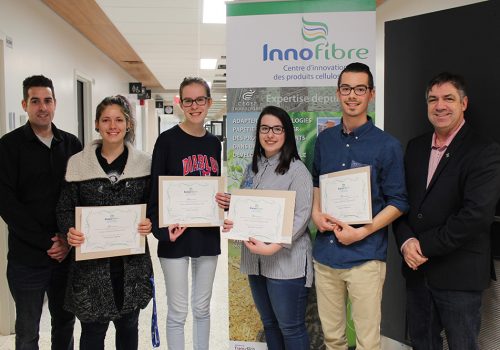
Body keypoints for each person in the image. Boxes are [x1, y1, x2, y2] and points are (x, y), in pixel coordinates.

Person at [393, 72, 500, 350]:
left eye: (448, 98)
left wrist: (422, 246)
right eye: (433, 99)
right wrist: (405, 243)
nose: (440, 105)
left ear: (463, 103)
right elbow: (401, 201)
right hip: (417, 272)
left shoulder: (484, 150)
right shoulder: (415, 147)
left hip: (459, 274)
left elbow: (476, 215)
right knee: (422, 343)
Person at [311, 62, 408, 350]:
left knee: (367, 342)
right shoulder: (324, 141)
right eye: (346, 88)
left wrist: (362, 232)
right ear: (338, 93)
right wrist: (317, 212)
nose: (352, 95)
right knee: (333, 339)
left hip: (365, 258)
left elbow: (399, 202)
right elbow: (317, 182)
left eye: (360, 89)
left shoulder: (387, 145)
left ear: (371, 94)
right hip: (326, 256)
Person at [56, 95, 153, 350]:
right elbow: (65, 207)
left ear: (128, 124)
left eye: (119, 119)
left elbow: (152, 206)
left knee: (129, 329)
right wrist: (70, 232)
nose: (113, 125)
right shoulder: (78, 163)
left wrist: (149, 222)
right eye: (106, 120)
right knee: (92, 332)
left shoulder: (144, 163)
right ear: (97, 124)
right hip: (91, 267)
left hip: (131, 266)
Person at [220, 105, 313, 350]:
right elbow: (245, 207)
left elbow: (302, 216)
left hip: (285, 262)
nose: (270, 134)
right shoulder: (253, 168)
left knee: (291, 327)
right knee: (269, 323)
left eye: (276, 129)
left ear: (286, 134)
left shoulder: (297, 171)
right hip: (255, 261)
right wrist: (233, 220)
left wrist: (274, 246)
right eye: (264, 128)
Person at [0, 75, 81, 349]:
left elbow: (81, 197)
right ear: (25, 104)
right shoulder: (8, 147)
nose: (42, 107)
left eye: (47, 100)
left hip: (66, 257)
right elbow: (7, 204)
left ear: (55, 104)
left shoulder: (72, 145)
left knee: (65, 325)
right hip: (27, 259)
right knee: (27, 332)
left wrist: (66, 241)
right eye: (35, 101)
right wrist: (48, 242)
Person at [148, 77, 223, 350]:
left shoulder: (214, 143)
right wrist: (160, 230)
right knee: (178, 311)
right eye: (188, 100)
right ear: (180, 103)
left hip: (206, 233)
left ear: (208, 103)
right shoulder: (166, 141)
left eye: (200, 100)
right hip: (174, 234)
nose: (194, 106)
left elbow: (212, 186)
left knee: (202, 308)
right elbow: (155, 189)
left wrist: (222, 202)